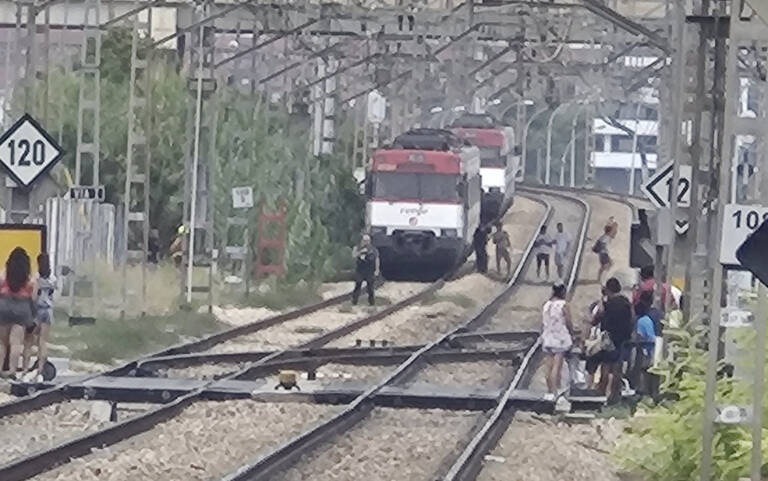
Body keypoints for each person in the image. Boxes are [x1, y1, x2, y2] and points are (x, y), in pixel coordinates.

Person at [589, 277, 633, 401]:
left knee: (606, 365)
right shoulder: (625, 302)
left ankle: (602, 392)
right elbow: (632, 317)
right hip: (623, 336)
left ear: (608, 290)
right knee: (617, 367)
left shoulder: (607, 303)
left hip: (608, 336)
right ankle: (615, 394)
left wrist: (601, 301)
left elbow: (596, 319)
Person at [0, 247, 36, 380]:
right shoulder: (29, 280)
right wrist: (33, 316)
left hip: (3, 308)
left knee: (1, 343)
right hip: (22, 311)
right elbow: (33, 299)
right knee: (15, 343)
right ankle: (12, 371)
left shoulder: (4, 276)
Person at [22, 253, 55, 382]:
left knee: (28, 342)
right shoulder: (53, 279)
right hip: (48, 311)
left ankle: (25, 370)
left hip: (36, 312)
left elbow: (34, 297)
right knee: (43, 342)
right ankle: (40, 371)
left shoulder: (36, 278)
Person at [541, 282, 574, 394]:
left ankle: (549, 390)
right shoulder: (563, 305)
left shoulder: (546, 305)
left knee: (548, 366)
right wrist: (571, 332)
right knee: (557, 366)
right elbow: (568, 322)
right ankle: (555, 391)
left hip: (548, 337)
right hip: (560, 338)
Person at [352, 234, 379, 306]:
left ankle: (371, 302)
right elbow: (354, 255)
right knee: (358, 285)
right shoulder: (357, 248)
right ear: (362, 241)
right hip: (360, 270)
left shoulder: (373, 249)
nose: (366, 242)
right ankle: (354, 301)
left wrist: (377, 270)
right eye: (364, 241)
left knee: (370, 287)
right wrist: (360, 252)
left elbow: (377, 259)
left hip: (369, 270)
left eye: (367, 241)